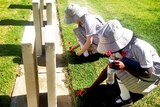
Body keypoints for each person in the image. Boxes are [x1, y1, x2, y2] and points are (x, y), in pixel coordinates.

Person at [79, 19, 160, 106]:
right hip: (137, 70)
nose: (109, 50)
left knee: (120, 65)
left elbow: (148, 73)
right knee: (116, 64)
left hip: (151, 76)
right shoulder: (117, 50)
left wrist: (125, 66)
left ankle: (126, 99)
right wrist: (91, 88)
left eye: (110, 45)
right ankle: (125, 92)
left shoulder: (139, 47)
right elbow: (107, 69)